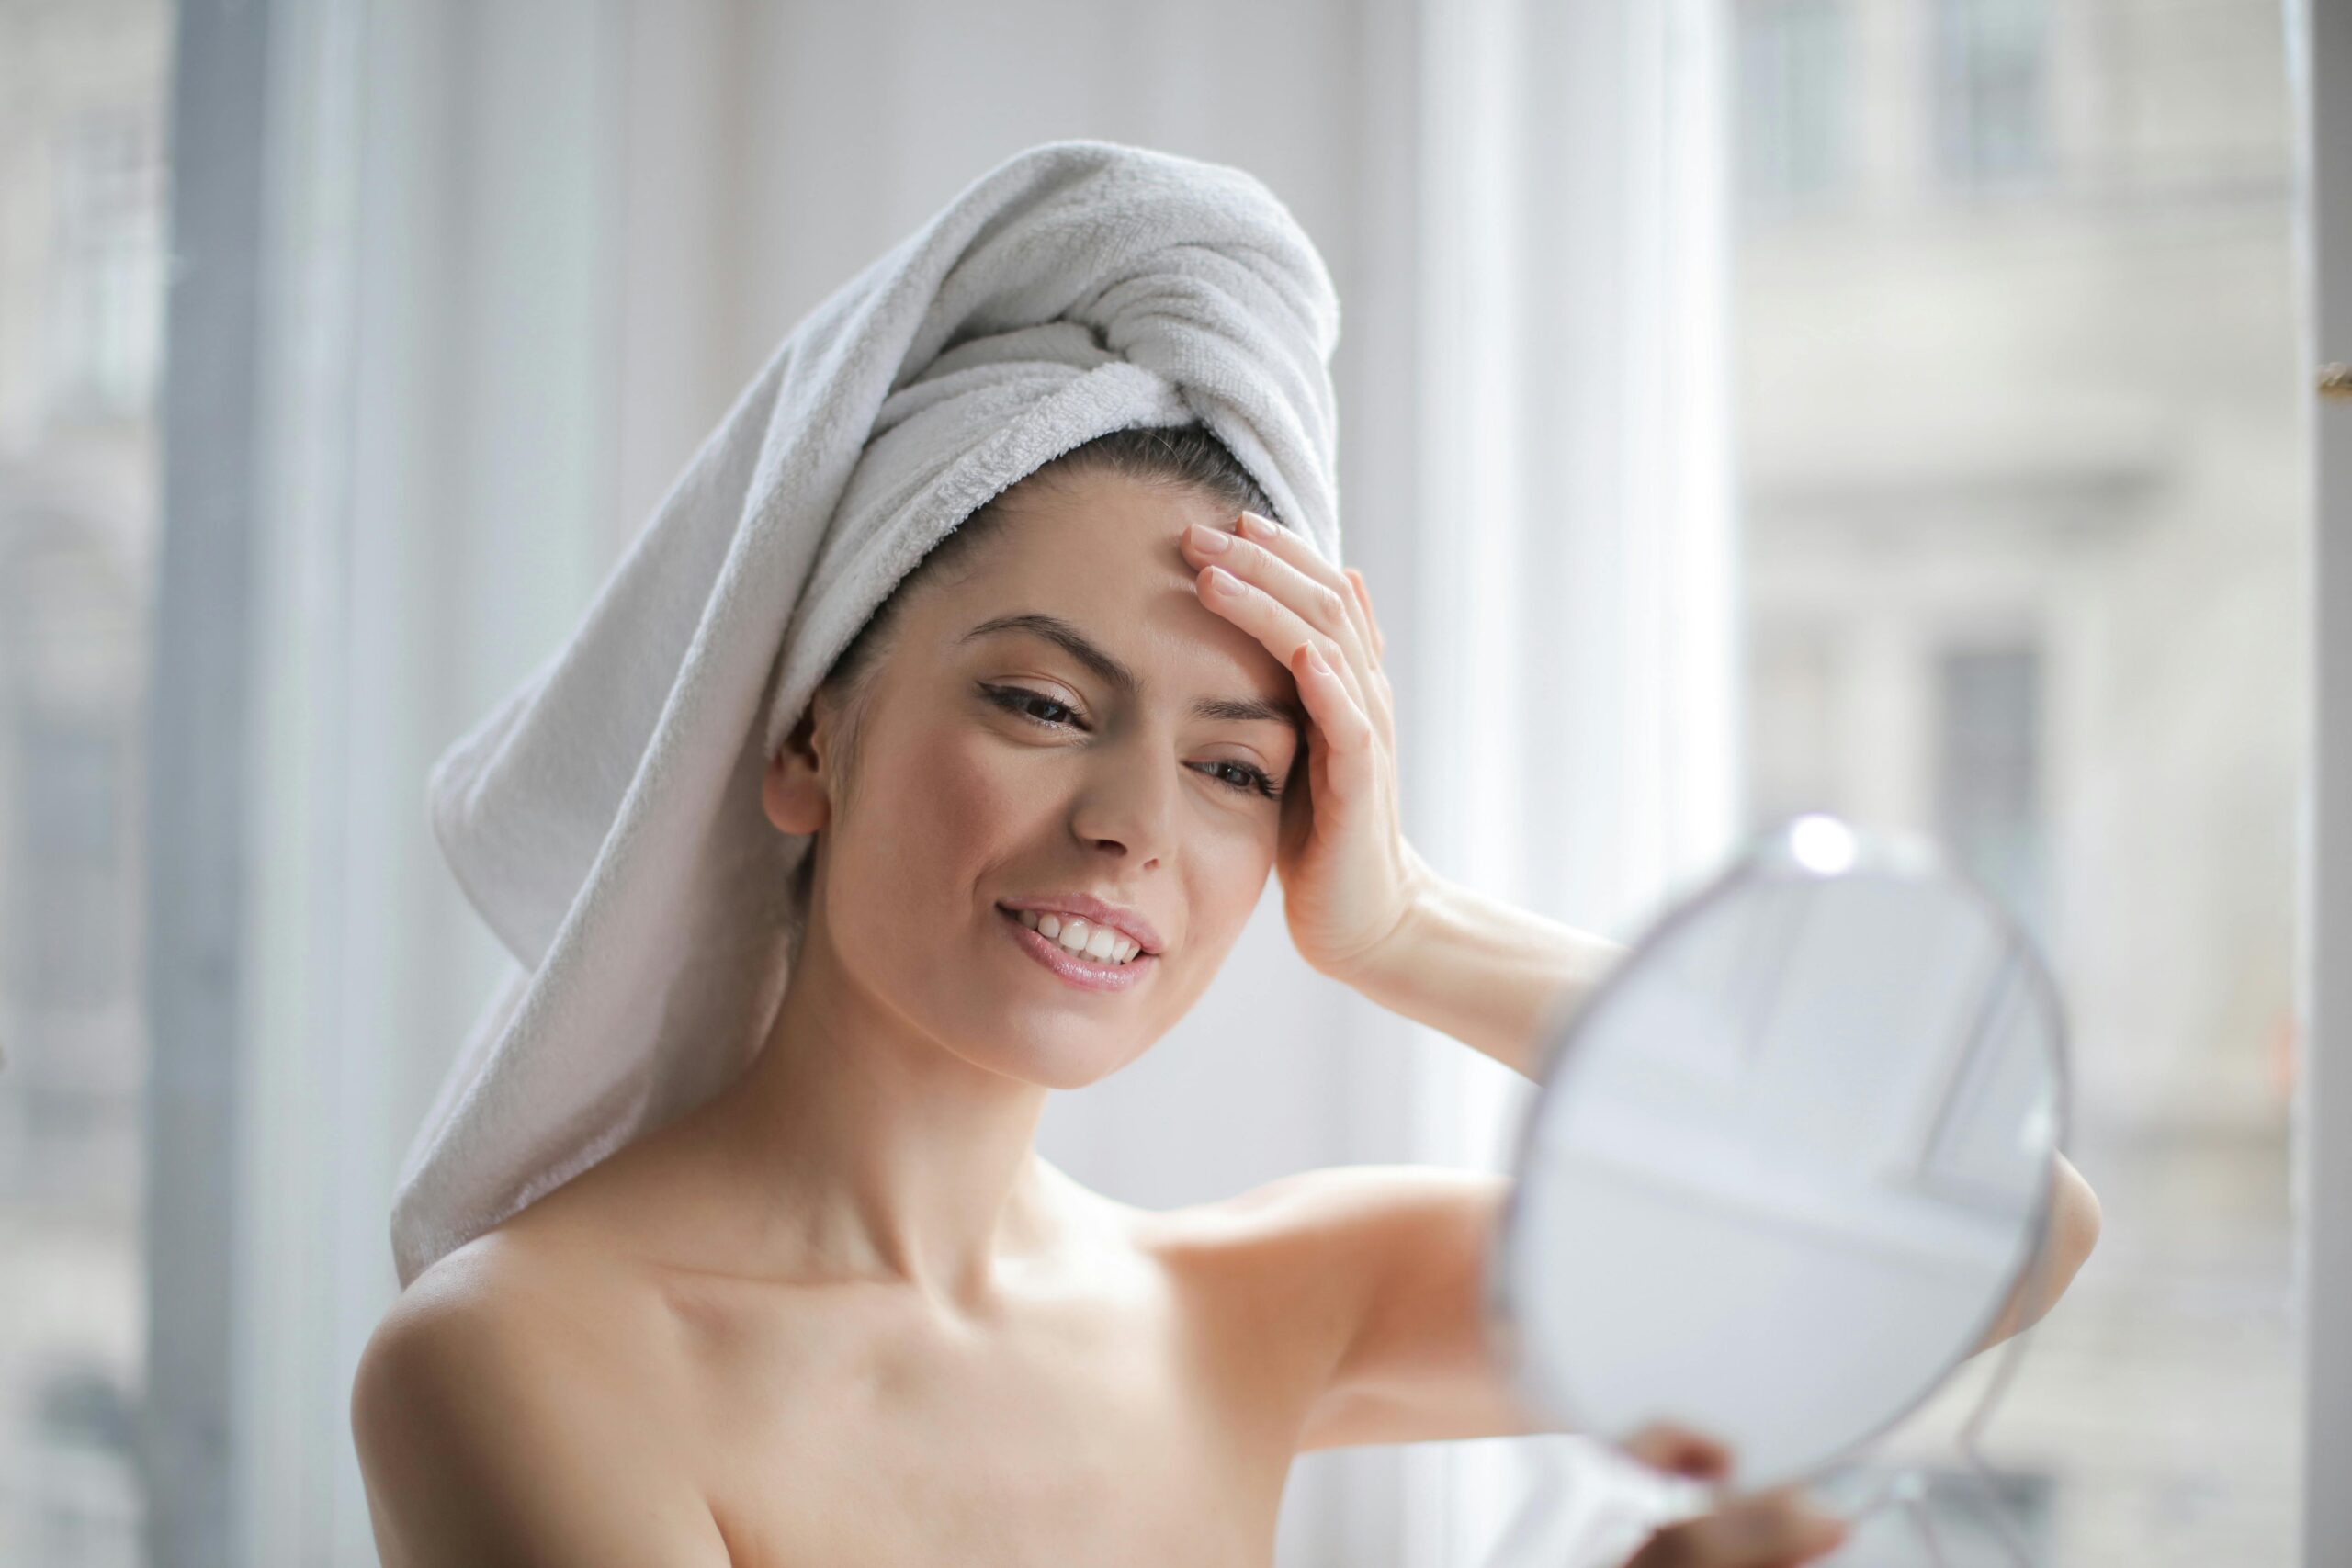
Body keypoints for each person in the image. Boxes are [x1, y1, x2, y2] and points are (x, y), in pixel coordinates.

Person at [349, 421, 2100, 1565]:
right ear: (812, 733)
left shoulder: (1252, 1306)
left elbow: (2004, 1231)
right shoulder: (525, 1357)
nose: (1129, 827)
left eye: (1238, 771)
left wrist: (1406, 929)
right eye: (1041, 704)